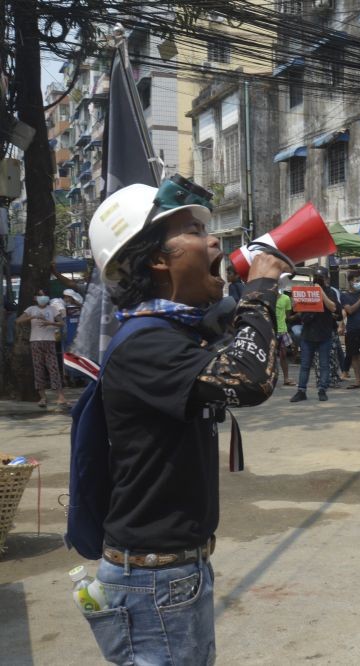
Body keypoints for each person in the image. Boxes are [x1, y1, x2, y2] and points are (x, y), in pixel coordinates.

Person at [84, 177, 288, 664]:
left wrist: (239, 300)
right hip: (154, 581)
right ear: (157, 259)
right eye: (196, 230)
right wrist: (258, 292)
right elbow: (248, 380)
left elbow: (228, 340)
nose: (215, 239)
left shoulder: (169, 332)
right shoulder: (147, 344)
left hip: (169, 575)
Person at [290, 268, 341, 402]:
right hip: (308, 334)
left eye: (321, 277)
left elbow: (334, 308)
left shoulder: (330, 291)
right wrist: (295, 304)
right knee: (305, 365)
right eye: (316, 277)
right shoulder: (307, 291)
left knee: (324, 364)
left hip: (324, 334)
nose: (318, 280)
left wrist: (321, 293)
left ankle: (322, 389)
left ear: (326, 278)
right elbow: (298, 310)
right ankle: (301, 390)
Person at [16, 289, 67, 408]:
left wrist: (50, 323)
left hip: (49, 341)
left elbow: (62, 323)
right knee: (38, 369)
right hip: (35, 342)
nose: (42, 297)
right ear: (35, 298)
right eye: (40, 295)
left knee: (53, 367)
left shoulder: (52, 309)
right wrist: (31, 317)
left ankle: (60, 396)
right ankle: (43, 397)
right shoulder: (31, 309)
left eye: (44, 295)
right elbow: (18, 321)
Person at [275, 286, 295, 386]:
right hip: (270, 331)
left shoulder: (286, 298)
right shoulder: (268, 298)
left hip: (282, 331)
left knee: (283, 355)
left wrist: (299, 313)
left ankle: (286, 378)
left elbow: (288, 316)